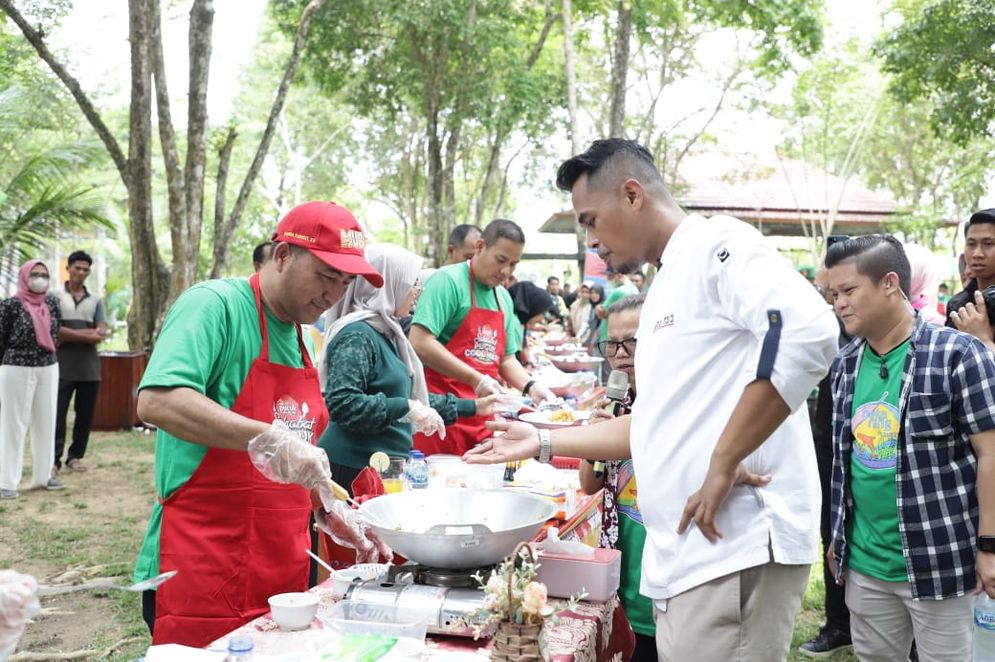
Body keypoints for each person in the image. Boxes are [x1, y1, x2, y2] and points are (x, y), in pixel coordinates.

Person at [464, 139, 838, 660]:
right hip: (691, 555)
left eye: (592, 220)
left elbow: (808, 330)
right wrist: (542, 440)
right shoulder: (665, 285)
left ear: (633, 194)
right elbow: (650, 425)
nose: (590, 239)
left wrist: (724, 459)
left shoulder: (714, 244)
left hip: (733, 544)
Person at [133, 201, 389, 647]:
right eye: (327, 275)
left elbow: (296, 452)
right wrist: (267, 436)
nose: (333, 293)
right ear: (283, 255)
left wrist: (327, 507)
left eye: (344, 282)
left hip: (285, 563)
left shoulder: (303, 336)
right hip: (204, 560)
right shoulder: (215, 305)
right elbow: (157, 401)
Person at [825, 235, 995, 661]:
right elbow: (843, 465)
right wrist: (837, 536)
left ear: (889, 283)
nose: (839, 304)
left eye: (848, 291)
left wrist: (989, 546)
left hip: (940, 560)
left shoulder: (957, 355)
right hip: (865, 565)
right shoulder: (845, 364)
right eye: (833, 294)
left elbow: (992, 453)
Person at [318, 244, 499, 491]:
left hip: (381, 467)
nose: (417, 292)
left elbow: (409, 399)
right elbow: (343, 404)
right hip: (351, 469)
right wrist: (406, 407)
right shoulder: (358, 335)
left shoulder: (387, 333)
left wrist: (474, 406)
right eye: (412, 283)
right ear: (387, 284)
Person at [409, 219, 556, 456]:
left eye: (514, 264)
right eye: (501, 260)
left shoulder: (503, 298)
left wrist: (531, 386)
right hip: (438, 418)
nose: (506, 271)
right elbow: (420, 341)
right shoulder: (447, 281)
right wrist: (476, 379)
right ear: (479, 247)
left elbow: (507, 359)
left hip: (482, 422)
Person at [578, 292, 656, 661]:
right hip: (624, 572)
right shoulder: (617, 402)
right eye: (612, 344)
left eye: (633, 341)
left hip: (663, 578)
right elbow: (589, 484)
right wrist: (597, 436)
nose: (621, 354)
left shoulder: (674, 405)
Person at [0, 260, 65, 499]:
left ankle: (43, 476)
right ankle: (7, 482)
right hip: (15, 368)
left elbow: (56, 334)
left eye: (44, 275)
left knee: (47, 419)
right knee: (13, 424)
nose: (39, 278)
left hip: (48, 366)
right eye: (35, 274)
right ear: (24, 277)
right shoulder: (10, 306)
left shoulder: (52, 303)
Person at [54, 250, 108, 474]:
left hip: (90, 369)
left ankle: (75, 457)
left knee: (84, 416)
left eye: (86, 269)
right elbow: (54, 330)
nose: (81, 272)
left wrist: (68, 334)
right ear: (68, 268)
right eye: (77, 268)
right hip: (60, 367)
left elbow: (101, 332)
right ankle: (53, 460)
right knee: (57, 415)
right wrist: (88, 334)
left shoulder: (96, 300)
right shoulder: (54, 296)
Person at [947, 209, 995, 327]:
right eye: (971, 244)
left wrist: (984, 341)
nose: (977, 254)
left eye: (988, 244)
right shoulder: (957, 305)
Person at [508, 280, 557, 367]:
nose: (542, 319)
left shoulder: (517, 321)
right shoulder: (514, 324)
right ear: (534, 307)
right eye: (543, 313)